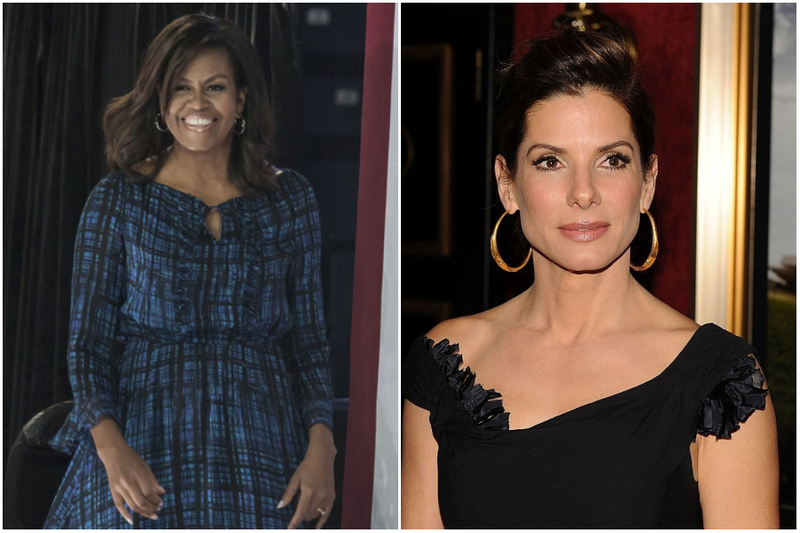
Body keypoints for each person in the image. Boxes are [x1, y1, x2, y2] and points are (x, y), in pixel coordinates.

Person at [401, 28, 779, 529]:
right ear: (507, 185)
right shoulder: (443, 361)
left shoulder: (721, 381)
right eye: (551, 161)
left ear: (647, 183)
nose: (584, 192)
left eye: (612, 160)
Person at [45, 13, 336, 529]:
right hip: (141, 441)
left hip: (266, 446)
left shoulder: (291, 201)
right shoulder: (117, 199)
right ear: (160, 101)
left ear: (241, 99)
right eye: (181, 87)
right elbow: (86, 348)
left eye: (215, 87)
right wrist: (112, 452)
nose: (197, 104)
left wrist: (322, 448)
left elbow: (309, 343)